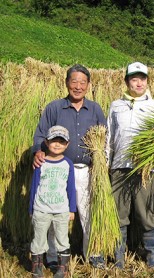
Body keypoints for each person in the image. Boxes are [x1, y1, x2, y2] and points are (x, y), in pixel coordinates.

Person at [32, 64, 107, 268]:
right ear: (66, 83)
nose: (78, 86)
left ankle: (93, 253)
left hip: (86, 171)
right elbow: (40, 135)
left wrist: (102, 164)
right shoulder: (54, 107)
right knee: (55, 212)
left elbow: (105, 138)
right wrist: (38, 151)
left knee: (89, 213)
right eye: (74, 81)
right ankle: (53, 256)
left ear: (89, 85)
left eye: (83, 82)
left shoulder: (95, 109)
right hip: (57, 170)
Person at [107, 62, 154, 268]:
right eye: (134, 78)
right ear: (126, 82)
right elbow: (109, 137)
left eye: (142, 78)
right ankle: (118, 258)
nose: (138, 82)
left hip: (146, 169)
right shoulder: (116, 106)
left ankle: (151, 257)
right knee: (119, 215)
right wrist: (107, 165)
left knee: (148, 214)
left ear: (147, 81)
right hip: (119, 168)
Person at [29, 126, 76, 278]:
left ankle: (63, 267)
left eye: (61, 141)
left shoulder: (68, 164)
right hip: (41, 208)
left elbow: (70, 187)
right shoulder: (40, 162)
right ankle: (37, 265)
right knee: (39, 238)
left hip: (61, 210)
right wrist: (32, 209)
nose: (57, 144)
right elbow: (34, 186)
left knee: (62, 238)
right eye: (54, 140)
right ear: (46, 142)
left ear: (67, 144)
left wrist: (72, 209)